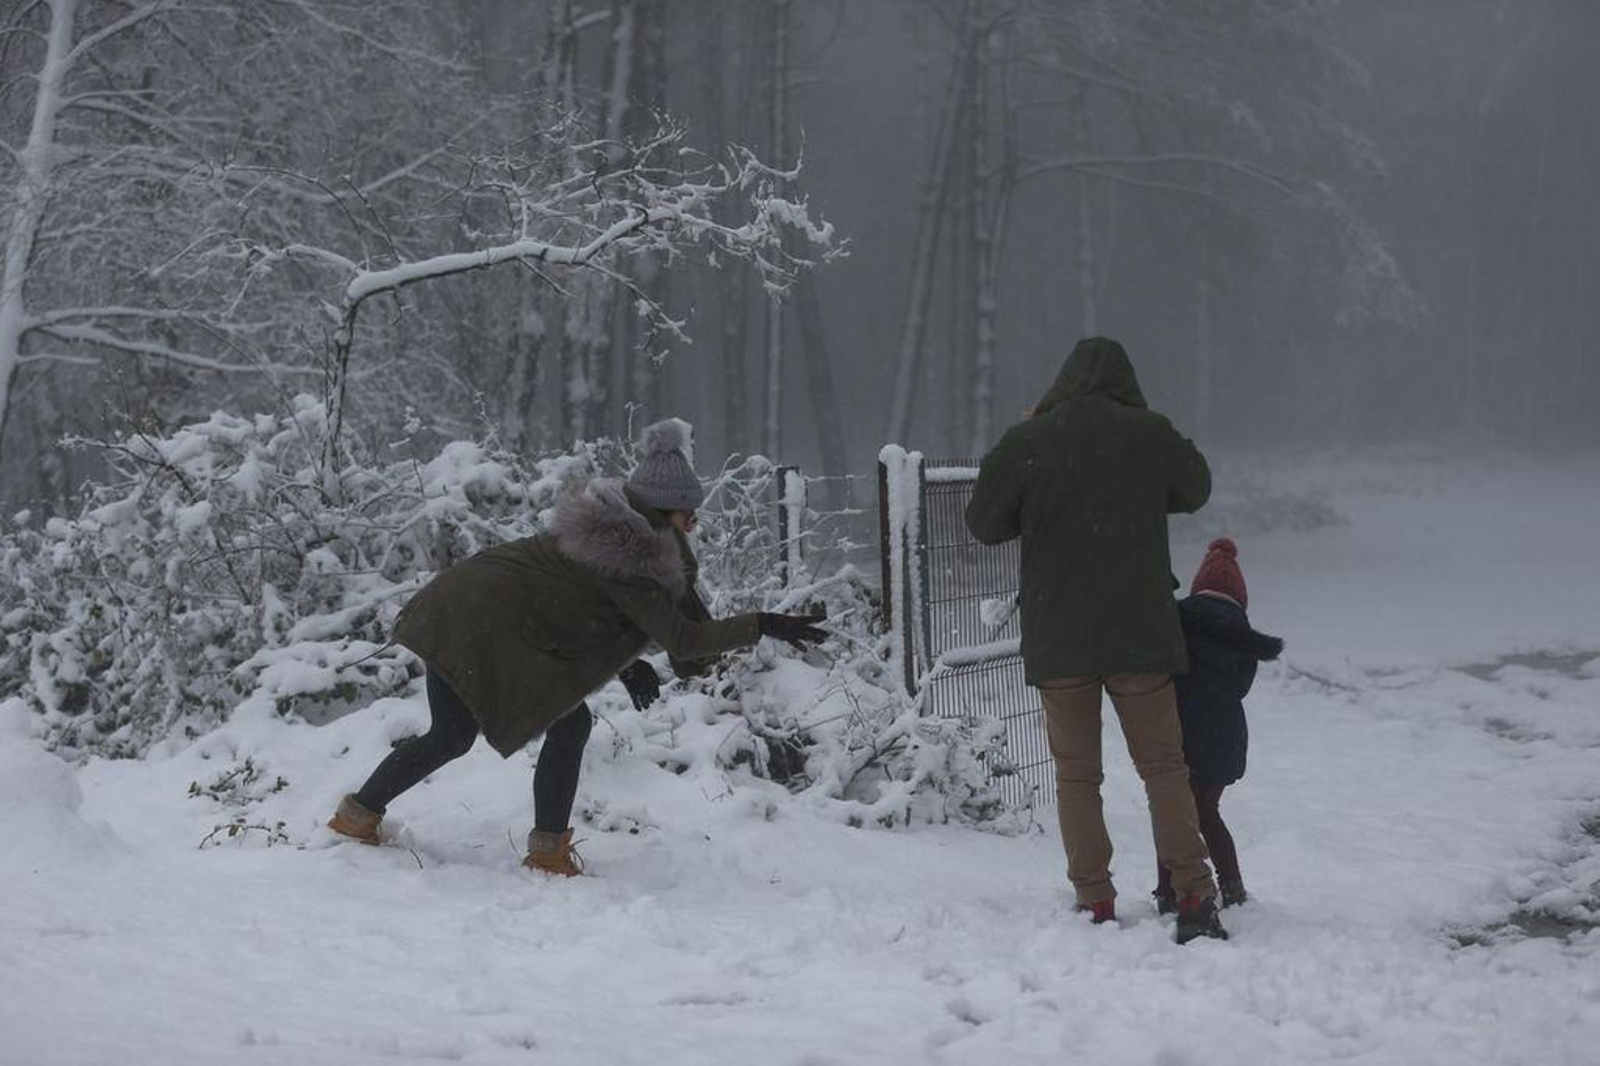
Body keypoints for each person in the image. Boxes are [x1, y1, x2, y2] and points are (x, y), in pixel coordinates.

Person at [326, 419, 828, 874]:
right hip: (480, 621)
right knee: (569, 723)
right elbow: (684, 637)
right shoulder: (635, 556)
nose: (693, 524)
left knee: (452, 734)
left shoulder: (611, 528)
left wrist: (628, 668)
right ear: (661, 511)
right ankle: (548, 853)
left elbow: (575, 606)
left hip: (458, 605)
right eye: (686, 514)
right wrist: (762, 623)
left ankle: (357, 815)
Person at [965, 336, 1228, 944]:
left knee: (1078, 776)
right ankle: (1192, 893)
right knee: (1164, 767)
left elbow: (983, 523)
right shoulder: (1148, 432)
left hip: (1062, 638)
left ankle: (1096, 899)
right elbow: (1196, 489)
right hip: (1140, 633)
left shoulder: (1028, 442)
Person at [1154, 538, 1283, 912]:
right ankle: (1232, 884)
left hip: (1183, 734)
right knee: (1206, 812)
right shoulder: (1244, 637)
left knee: (1173, 815)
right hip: (1225, 740)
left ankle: (1168, 891)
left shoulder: (1179, 620)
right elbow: (1240, 687)